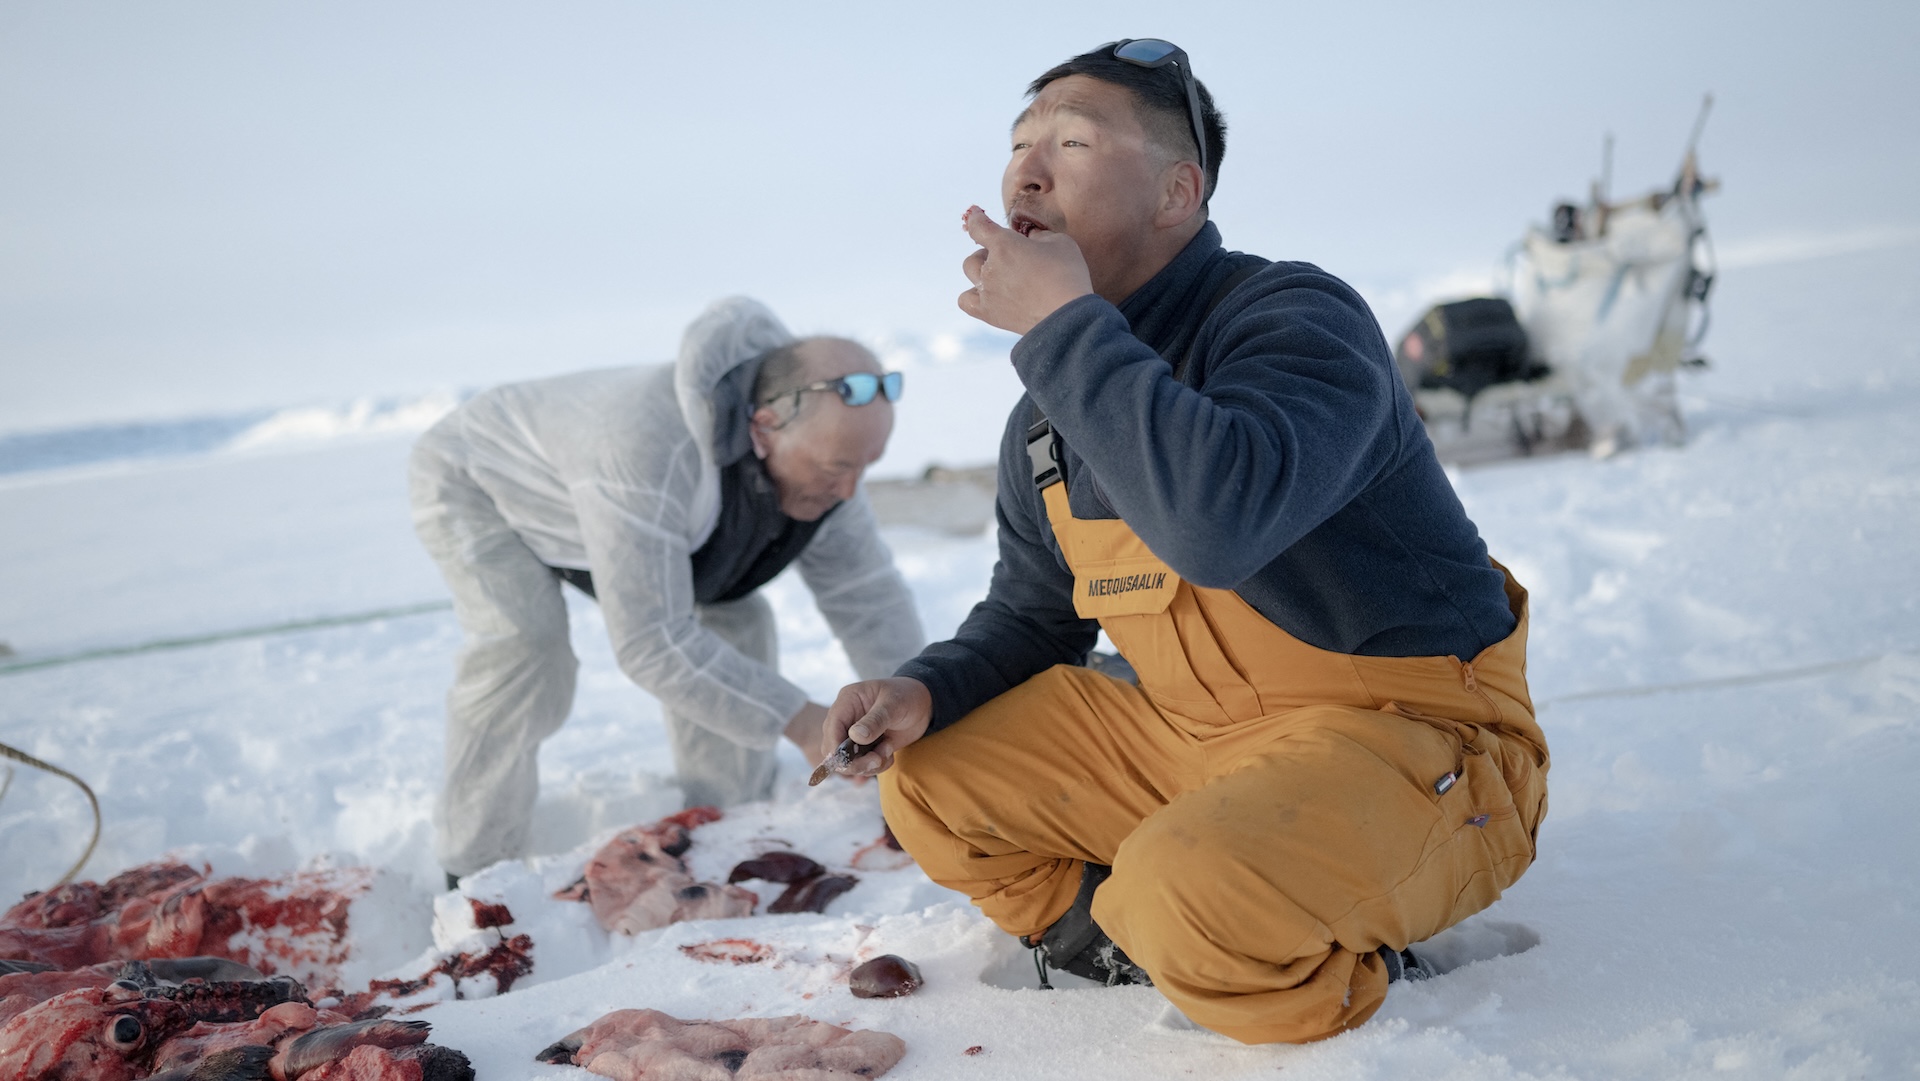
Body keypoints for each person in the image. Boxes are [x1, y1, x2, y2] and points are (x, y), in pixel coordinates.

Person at [819, 41, 1549, 1044]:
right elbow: (1033, 613)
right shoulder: (1047, 414)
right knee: (931, 773)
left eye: (1071, 142)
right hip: (1192, 743)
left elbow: (1221, 518)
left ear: (1177, 191)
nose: (1027, 171)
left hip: (1409, 745)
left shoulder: (1296, 319)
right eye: (1019, 145)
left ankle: (1320, 972)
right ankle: (1114, 945)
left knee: (1182, 892)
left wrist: (1065, 325)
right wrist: (925, 688)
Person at [411, 296, 925, 885]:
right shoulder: (645, 448)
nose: (849, 490)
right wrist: (800, 720)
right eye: (837, 469)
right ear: (764, 429)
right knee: (526, 651)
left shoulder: (830, 457)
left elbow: (869, 598)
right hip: (483, 481)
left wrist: (910, 704)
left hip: (644, 512)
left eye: (867, 466)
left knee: (734, 615)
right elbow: (651, 641)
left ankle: (725, 821)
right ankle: (473, 868)